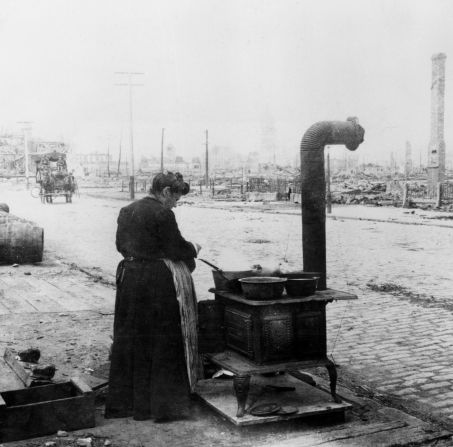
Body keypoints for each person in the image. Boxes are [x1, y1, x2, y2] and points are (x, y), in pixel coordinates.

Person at [105, 171, 201, 422]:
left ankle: (126, 404)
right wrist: (194, 248)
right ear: (166, 192)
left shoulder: (127, 210)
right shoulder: (162, 213)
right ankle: (162, 407)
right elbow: (175, 248)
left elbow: (120, 246)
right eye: (176, 198)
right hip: (155, 283)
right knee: (161, 340)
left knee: (131, 338)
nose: (176, 203)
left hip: (129, 279)